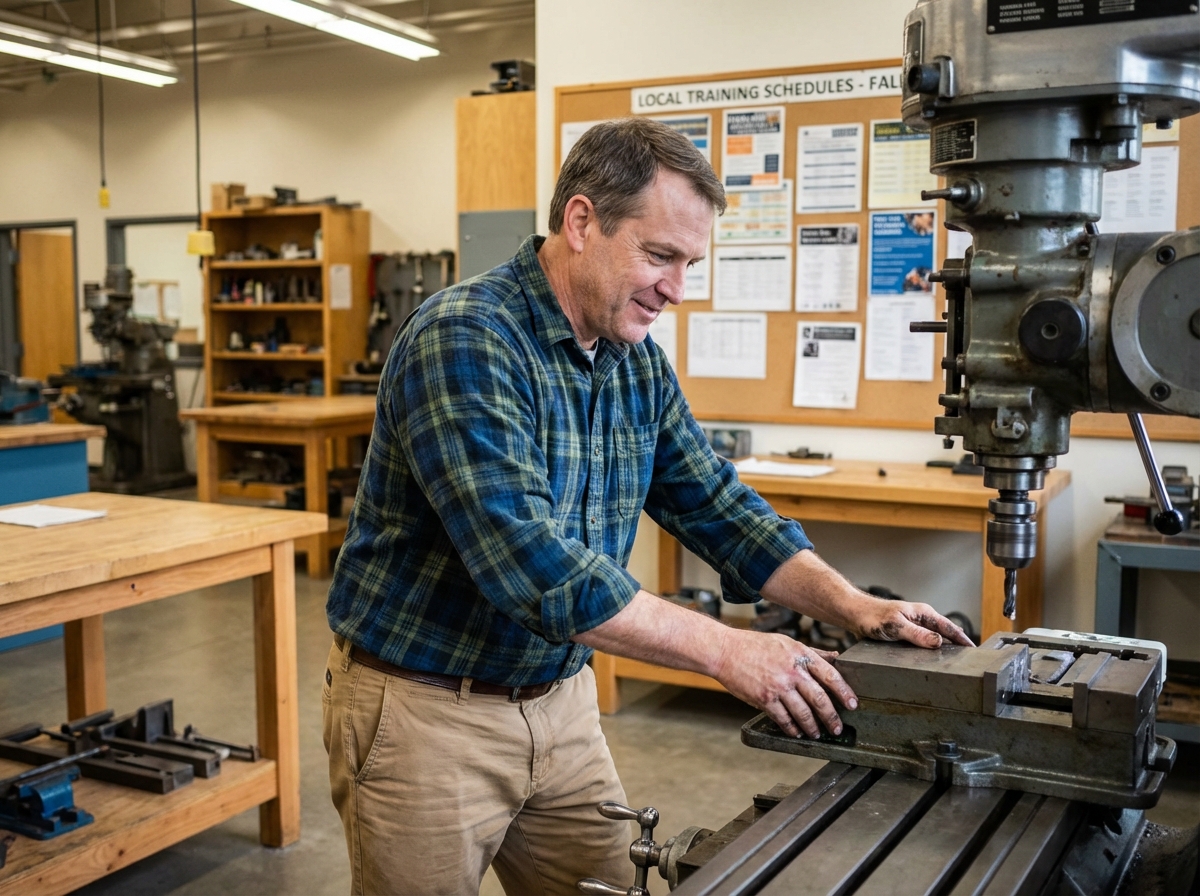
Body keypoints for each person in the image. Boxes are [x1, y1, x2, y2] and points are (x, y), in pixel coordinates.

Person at [323, 117, 972, 896]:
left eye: (689, 262)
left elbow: (717, 505)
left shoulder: (634, 364)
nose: (676, 288)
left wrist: (850, 604)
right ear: (581, 221)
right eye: (659, 255)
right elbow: (532, 565)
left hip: (561, 706)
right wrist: (729, 649)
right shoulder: (466, 338)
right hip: (426, 716)